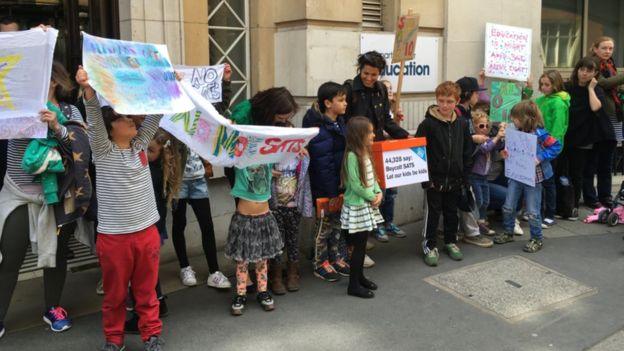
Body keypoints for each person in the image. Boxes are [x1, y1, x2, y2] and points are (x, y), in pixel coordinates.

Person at [76, 67, 165, 351]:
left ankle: (151, 335)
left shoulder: (139, 145)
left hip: (146, 233)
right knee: (114, 295)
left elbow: (157, 114)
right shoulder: (103, 150)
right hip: (114, 238)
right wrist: (89, 90)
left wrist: (167, 85)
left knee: (146, 291)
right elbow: (93, 116)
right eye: (125, 118)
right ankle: (114, 339)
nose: (132, 122)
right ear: (111, 126)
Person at [0, 61, 87, 339]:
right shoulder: (13, 105)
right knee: (10, 257)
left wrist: (57, 127)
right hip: (17, 194)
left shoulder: (69, 110)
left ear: (52, 82)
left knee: (57, 256)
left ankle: (53, 308)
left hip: (57, 197)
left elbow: (81, 147)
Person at [226, 87, 297, 316]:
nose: (284, 121)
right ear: (270, 110)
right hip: (245, 213)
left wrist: (297, 147)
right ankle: (241, 290)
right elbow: (228, 134)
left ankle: (262, 289)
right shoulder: (245, 115)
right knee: (243, 257)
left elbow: (283, 147)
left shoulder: (268, 162)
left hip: (264, 214)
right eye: (282, 116)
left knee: (262, 257)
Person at [344, 51, 409, 243]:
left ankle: (379, 224)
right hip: (356, 150)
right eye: (366, 73)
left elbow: (386, 120)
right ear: (360, 69)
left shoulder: (381, 89)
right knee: (362, 189)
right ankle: (363, 234)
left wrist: (404, 135)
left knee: (384, 188)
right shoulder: (349, 89)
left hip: (378, 146)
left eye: (374, 74)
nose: (370, 78)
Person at [415, 81, 473, 267]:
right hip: (435, 179)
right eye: (441, 101)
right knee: (433, 213)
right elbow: (419, 153)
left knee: (451, 213)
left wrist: (465, 177)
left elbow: (467, 152)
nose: (445, 105)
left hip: (455, 179)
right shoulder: (427, 124)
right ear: (436, 100)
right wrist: (426, 180)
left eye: (449, 101)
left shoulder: (462, 124)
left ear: (456, 102)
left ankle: (450, 241)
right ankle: (429, 245)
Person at [493, 101, 561, 252]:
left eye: (515, 118)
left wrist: (540, 157)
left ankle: (537, 238)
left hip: (533, 178)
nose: (513, 121)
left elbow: (557, 146)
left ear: (524, 118)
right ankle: (508, 231)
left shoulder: (540, 133)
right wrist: (504, 152)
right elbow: (507, 148)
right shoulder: (514, 131)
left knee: (532, 210)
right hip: (516, 174)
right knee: (508, 206)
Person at [303, 82, 351, 282]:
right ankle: (320, 262)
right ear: (328, 103)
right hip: (325, 189)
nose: (345, 103)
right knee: (323, 227)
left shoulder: (339, 123)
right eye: (341, 100)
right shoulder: (319, 129)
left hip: (339, 186)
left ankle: (335, 257)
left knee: (338, 224)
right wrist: (332, 192)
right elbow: (323, 166)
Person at [562, 57, 612, 220]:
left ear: (595, 73)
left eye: (589, 71)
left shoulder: (595, 89)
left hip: (584, 137)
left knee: (578, 172)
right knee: (563, 171)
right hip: (566, 134)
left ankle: (574, 205)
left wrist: (591, 89)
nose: (584, 73)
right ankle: (562, 203)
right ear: (577, 70)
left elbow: (596, 107)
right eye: (582, 69)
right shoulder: (568, 87)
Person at [268, 121, 313, 294]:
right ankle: (277, 275)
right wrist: (269, 172)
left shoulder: (301, 157)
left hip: (294, 207)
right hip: (276, 207)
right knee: (277, 242)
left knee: (293, 240)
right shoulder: (271, 157)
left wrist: (306, 207)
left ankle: (293, 273)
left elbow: (305, 184)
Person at [340, 117, 383, 298]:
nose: (373, 135)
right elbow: (356, 185)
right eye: (370, 132)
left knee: (363, 245)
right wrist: (372, 196)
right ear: (359, 135)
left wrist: (378, 192)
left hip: (366, 204)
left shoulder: (366, 152)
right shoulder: (352, 156)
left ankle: (360, 277)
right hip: (357, 207)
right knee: (358, 247)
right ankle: (353, 285)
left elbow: (373, 177)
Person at [584, 37, 623, 207]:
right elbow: (604, 84)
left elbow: (612, 87)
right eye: (604, 48)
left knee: (607, 159)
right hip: (599, 117)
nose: (608, 51)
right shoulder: (591, 64)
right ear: (595, 48)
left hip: (612, 115)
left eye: (611, 48)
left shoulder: (610, 64)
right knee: (593, 160)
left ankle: (605, 196)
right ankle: (591, 197)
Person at [535, 70, 569, 227]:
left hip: (551, 149)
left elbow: (558, 129)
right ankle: (539, 211)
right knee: (539, 182)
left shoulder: (558, 103)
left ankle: (550, 213)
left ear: (555, 84)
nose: (543, 87)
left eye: (547, 84)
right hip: (538, 147)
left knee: (549, 182)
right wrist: (528, 90)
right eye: (542, 84)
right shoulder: (542, 99)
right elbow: (529, 108)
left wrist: (549, 148)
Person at [468, 110, 505, 235]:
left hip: (484, 176)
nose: (484, 128)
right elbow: (486, 148)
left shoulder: (488, 139)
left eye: (487, 126)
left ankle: (482, 220)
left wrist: (501, 131)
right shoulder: (475, 141)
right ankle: (477, 222)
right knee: (478, 200)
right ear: (475, 126)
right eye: (481, 126)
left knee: (485, 201)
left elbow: (496, 145)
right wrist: (498, 137)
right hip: (475, 176)